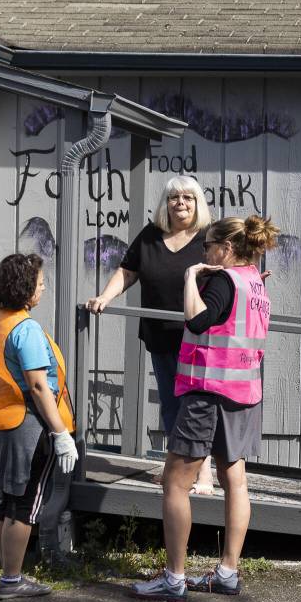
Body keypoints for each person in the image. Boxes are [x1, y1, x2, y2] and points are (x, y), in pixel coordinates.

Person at [130, 215, 280, 602]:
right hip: (243, 393)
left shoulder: (223, 281)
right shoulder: (254, 281)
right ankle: (227, 572)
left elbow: (198, 320)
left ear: (226, 249)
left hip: (207, 392)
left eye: (208, 245)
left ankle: (174, 578)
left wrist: (189, 277)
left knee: (175, 483)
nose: (203, 251)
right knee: (236, 480)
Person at [85, 175, 217, 494]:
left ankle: (204, 473)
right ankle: (176, 468)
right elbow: (127, 271)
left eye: (188, 197)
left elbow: (228, 272)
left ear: (198, 203)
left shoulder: (208, 238)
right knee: (171, 404)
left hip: (199, 337)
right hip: (160, 336)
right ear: (165, 204)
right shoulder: (150, 236)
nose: (180, 203)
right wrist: (105, 296)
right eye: (174, 198)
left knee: (196, 404)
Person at [0, 253, 78, 599]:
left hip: (2, 422)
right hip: (30, 427)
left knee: (8, 502)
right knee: (26, 504)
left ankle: (7, 573)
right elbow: (38, 386)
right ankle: (12, 579)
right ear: (24, 289)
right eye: (39, 283)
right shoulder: (26, 328)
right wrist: (60, 433)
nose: (43, 287)